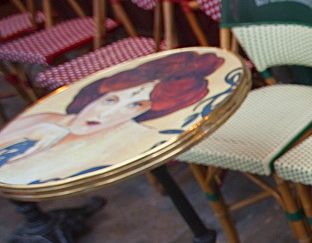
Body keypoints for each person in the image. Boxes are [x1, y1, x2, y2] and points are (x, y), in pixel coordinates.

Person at [0, 50, 225, 183]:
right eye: (110, 100)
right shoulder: (42, 121)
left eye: (135, 105)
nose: (108, 114)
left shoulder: (125, 144)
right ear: (95, 95)